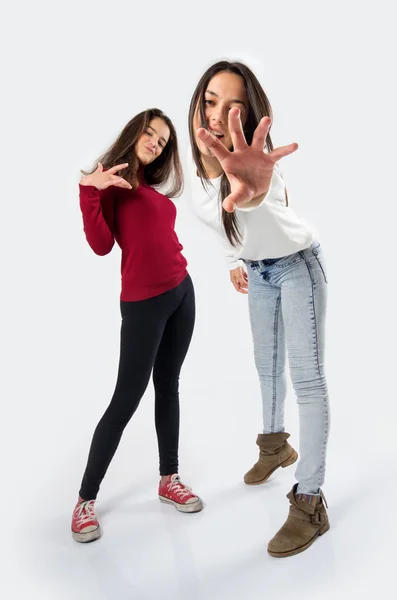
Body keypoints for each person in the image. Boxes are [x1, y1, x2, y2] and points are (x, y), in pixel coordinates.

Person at [187, 61, 330, 558]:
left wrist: (254, 194)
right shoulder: (203, 175)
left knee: (308, 381)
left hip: (296, 267)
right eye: (210, 101)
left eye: (234, 107)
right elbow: (223, 222)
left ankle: (310, 501)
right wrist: (234, 259)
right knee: (267, 368)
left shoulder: (259, 166)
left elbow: (262, 205)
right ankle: (275, 448)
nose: (217, 115)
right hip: (260, 271)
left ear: (250, 118)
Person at [72, 108, 203, 544]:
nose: (156, 142)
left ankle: (170, 477)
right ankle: (85, 501)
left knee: (169, 387)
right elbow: (100, 246)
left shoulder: (148, 188)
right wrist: (88, 190)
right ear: (135, 132)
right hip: (143, 306)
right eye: (151, 133)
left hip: (182, 292)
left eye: (163, 140)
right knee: (125, 400)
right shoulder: (111, 183)